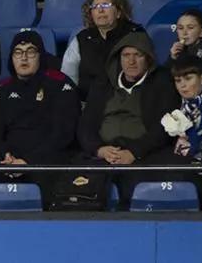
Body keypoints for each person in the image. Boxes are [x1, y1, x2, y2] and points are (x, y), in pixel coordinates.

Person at [77, 32, 181, 205]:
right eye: (126, 55)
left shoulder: (162, 83)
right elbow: (85, 125)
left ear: (148, 58)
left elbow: (164, 127)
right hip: (103, 154)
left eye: (137, 55)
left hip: (144, 154)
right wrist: (99, 149)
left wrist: (134, 152)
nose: (131, 61)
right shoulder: (103, 84)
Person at [0, 30, 81, 198]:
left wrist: (29, 162)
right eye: (18, 52)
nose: (24, 58)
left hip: (47, 160)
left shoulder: (60, 86)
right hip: (9, 161)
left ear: (41, 56)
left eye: (31, 52)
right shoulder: (2, 91)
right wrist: (5, 155)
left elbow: (62, 135)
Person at [160, 55, 202, 207]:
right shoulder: (184, 104)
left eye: (188, 78)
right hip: (193, 161)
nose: (182, 86)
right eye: (178, 81)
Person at [60, 0, 143, 99]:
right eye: (95, 6)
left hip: (127, 104)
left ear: (119, 11)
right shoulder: (82, 39)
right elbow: (68, 78)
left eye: (105, 5)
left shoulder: (135, 34)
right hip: (87, 105)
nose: (100, 10)